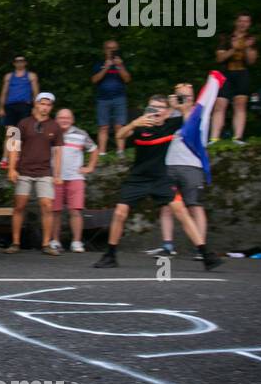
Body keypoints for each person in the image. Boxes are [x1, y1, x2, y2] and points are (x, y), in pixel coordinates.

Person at [93, 94, 220, 270]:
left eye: (160, 107)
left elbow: (191, 123)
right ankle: (110, 255)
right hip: (137, 178)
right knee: (120, 213)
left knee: (180, 210)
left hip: (161, 179)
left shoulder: (171, 125)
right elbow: (121, 136)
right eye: (152, 107)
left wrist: (181, 107)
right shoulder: (141, 125)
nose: (155, 111)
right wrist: (133, 124)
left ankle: (206, 255)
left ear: (167, 112)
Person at [148, 82, 211, 260]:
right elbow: (154, 127)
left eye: (187, 96)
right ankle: (167, 246)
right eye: (180, 96)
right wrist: (169, 108)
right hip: (169, 165)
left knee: (194, 206)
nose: (184, 99)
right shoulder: (169, 114)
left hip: (192, 165)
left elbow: (191, 132)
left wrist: (183, 110)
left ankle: (201, 248)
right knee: (166, 207)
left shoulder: (200, 113)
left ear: (193, 97)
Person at [5, 93, 63, 255]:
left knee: (47, 206)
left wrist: (57, 174)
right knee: (19, 206)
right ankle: (15, 242)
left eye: (48, 105)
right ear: (36, 105)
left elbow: (58, 152)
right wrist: (11, 168)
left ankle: (46, 244)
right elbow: (13, 145)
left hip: (45, 172)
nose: (45, 107)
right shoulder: (22, 123)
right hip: (24, 170)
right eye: (42, 103)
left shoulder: (55, 126)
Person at [48, 108, 98, 252]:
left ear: (72, 120)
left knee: (75, 211)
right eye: (61, 117)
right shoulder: (50, 133)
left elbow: (94, 149)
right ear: (56, 119)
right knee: (55, 211)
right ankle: (55, 241)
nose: (64, 120)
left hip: (75, 177)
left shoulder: (81, 134)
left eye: (67, 118)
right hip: (55, 178)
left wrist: (90, 167)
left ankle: (76, 242)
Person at [211, 11, 258, 144]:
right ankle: (214, 138)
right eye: (241, 21)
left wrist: (247, 48)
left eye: (246, 21)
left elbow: (252, 61)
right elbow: (219, 58)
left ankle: (237, 137)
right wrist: (234, 48)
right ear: (236, 22)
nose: (243, 24)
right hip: (226, 73)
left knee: (240, 105)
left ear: (249, 24)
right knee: (220, 104)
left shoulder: (251, 39)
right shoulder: (226, 38)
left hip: (242, 73)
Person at [91, 39, 132, 155]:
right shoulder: (99, 64)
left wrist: (119, 66)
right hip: (103, 99)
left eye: (115, 49)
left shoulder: (121, 63)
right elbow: (94, 80)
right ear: (105, 50)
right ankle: (102, 153)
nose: (112, 51)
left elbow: (127, 79)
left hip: (119, 98)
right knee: (103, 126)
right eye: (110, 49)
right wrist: (106, 67)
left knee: (120, 125)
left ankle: (120, 151)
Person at [0, 56, 39, 136]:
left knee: (24, 131)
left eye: (21, 61)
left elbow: (35, 93)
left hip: (25, 105)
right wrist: (1, 108)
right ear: (14, 63)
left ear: (25, 63)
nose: (19, 62)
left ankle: (22, 148)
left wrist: (36, 107)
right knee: (10, 132)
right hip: (10, 106)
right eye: (17, 61)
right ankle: (11, 148)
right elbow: (4, 93)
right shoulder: (8, 76)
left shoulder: (31, 76)